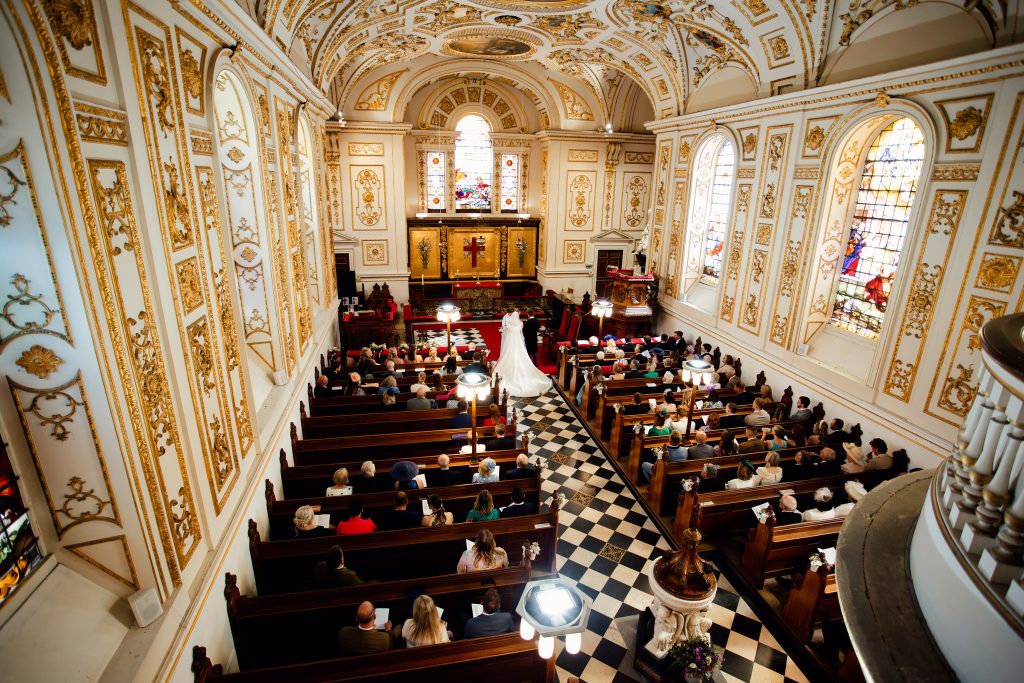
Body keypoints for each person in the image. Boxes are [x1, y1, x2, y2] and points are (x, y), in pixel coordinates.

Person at [493, 308, 551, 397]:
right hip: (519, 342)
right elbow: (522, 334)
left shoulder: (509, 324)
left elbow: (506, 332)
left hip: (511, 343)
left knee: (509, 355)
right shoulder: (521, 324)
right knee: (521, 356)